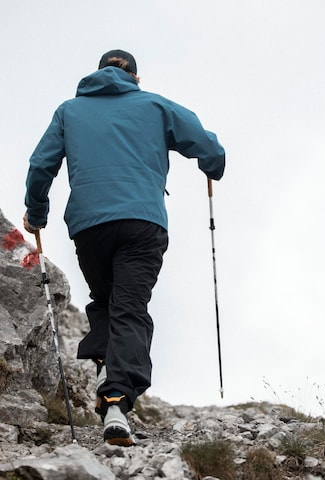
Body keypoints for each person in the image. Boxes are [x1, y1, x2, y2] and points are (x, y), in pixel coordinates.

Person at [23, 49, 225, 446]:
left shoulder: (69, 111)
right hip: (141, 222)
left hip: (90, 225)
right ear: (135, 76)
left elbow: (40, 165)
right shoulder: (155, 105)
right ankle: (116, 401)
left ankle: (104, 365)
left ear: (98, 74)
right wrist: (212, 164)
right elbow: (206, 145)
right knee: (129, 306)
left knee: (104, 298)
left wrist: (37, 212)